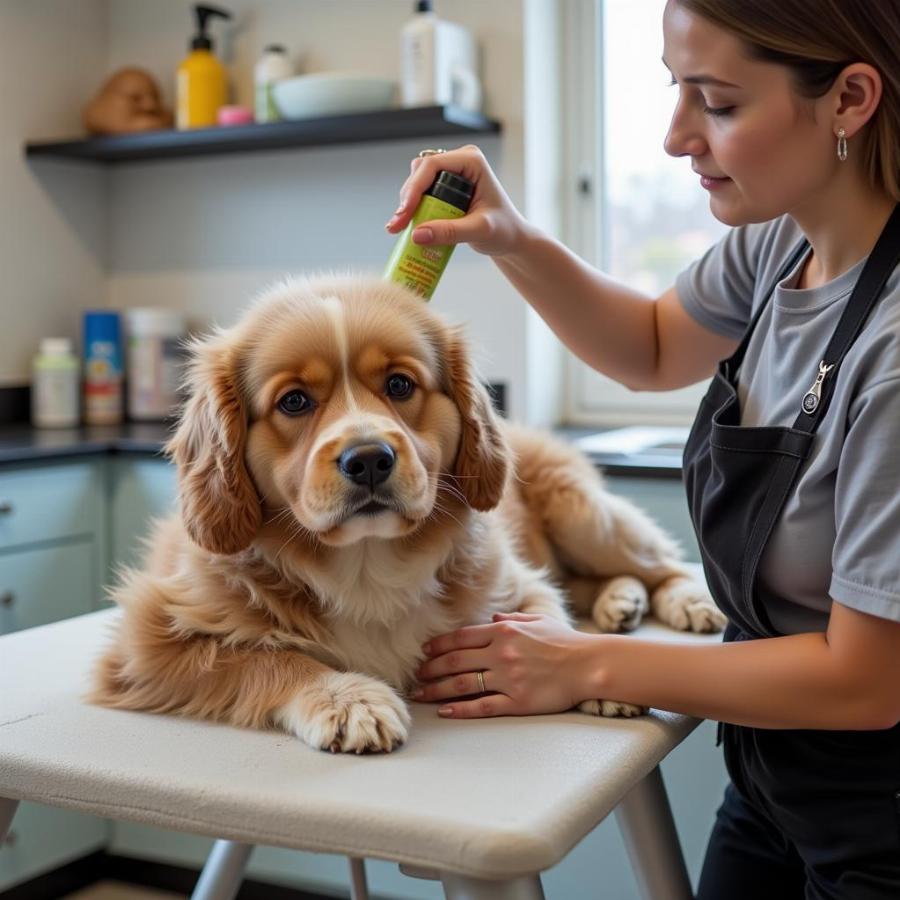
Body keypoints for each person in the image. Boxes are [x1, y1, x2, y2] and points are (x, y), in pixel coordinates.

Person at [385, 1, 900, 897]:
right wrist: (508, 234)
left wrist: (582, 661)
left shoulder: (893, 352)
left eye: (718, 103)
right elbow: (654, 347)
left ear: (850, 98)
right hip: (772, 780)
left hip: (879, 806)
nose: (676, 137)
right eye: (676, 91)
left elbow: (866, 680)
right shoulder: (780, 246)